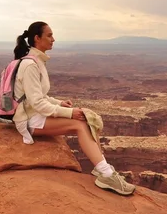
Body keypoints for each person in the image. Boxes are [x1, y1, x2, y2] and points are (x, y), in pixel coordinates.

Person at [11, 21, 135, 196]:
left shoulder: (37, 61)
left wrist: (59, 103)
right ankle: (106, 174)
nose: (53, 39)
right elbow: (37, 103)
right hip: (29, 120)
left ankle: (103, 169)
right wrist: (70, 113)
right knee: (79, 124)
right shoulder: (30, 65)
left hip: (35, 113)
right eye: (49, 35)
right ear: (37, 39)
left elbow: (40, 97)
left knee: (86, 117)